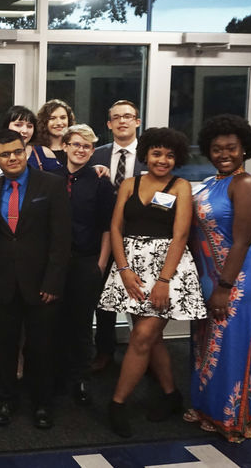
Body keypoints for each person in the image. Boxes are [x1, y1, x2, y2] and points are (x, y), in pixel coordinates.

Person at [98, 127, 206, 438]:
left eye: (170, 155)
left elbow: (181, 235)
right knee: (150, 338)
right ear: (146, 154)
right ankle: (172, 395)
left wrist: (163, 281)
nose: (163, 160)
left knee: (144, 335)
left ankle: (117, 403)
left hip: (167, 271)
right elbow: (116, 227)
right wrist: (123, 270)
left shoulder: (181, 186)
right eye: (157, 153)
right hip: (131, 269)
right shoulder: (130, 183)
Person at [0, 129, 71, 430]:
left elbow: (62, 240)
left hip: (41, 284)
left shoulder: (52, 184)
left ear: (26, 152)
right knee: (4, 349)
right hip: (3, 284)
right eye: (5, 154)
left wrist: (53, 282)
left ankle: (42, 404)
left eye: (17, 152)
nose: (12, 158)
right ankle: (5, 400)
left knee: (41, 348)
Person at [188, 115, 251, 442]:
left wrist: (223, 287)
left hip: (236, 278)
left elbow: (242, 241)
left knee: (229, 344)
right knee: (205, 342)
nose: (224, 154)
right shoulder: (211, 182)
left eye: (231, 148)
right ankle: (207, 408)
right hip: (211, 275)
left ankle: (231, 417)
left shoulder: (246, 184)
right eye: (216, 148)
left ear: (244, 148)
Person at [50, 125, 115, 406]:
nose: (80, 150)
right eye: (75, 144)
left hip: (86, 261)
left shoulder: (100, 181)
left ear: (92, 150)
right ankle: (56, 377)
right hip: (54, 262)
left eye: (86, 146)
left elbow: (107, 227)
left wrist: (100, 264)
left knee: (80, 324)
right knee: (54, 321)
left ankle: (79, 379)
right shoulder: (49, 178)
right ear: (65, 146)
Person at [90, 100, 146, 373]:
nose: (122, 121)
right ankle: (104, 352)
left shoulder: (152, 156)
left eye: (128, 116)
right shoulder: (95, 155)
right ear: (109, 124)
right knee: (103, 298)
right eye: (116, 117)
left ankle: (144, 351)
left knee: (140, 296)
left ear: (137, 121)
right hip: (103, 237)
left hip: (140, 238)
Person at [35, 99, 75, 165]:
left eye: (63, 118)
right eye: (52, 118)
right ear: (44, 122)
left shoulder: (75, 147)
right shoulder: (36, 150)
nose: (59, 123)